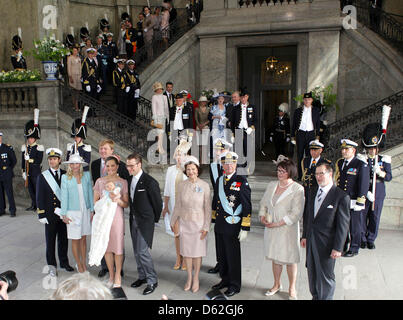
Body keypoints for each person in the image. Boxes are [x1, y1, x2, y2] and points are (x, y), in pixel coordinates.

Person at [301, 162, 350, 300]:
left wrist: (338, 247)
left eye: (321, 173)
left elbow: (343, 225)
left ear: (330, 174)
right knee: (312, 274)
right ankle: (315, 297)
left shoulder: (341, 196)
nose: (318, 177)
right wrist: (304, 235)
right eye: (316, 174)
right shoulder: (312, 192)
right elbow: (308, 216)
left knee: (326, 277)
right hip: (311, 241)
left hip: (327, 244)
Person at [259, 157, 304, 300]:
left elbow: (296, 213)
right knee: (275, 258)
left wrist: (278, 223)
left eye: (283, 171)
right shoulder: (272, 185)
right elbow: (264, 203)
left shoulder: (297, 189)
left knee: (290, 259)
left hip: (287, 230)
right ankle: (276, 284)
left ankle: (292, 287)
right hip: (271, 229)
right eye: (278, 170)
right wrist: (262, 215)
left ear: (290, 172)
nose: (280, 173)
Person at [211, 151, 252, 297]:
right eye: (225, 163)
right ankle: (225, 279)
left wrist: (245, 227)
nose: (228, 166)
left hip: (233, 225)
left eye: (231, 163)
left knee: (232, 256)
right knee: (221, 255)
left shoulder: (242, 181)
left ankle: (234, 284)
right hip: (220, 224)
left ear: (235, 164)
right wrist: (213, 220)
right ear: (222, 164)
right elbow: (215, 200)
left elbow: (247, 205)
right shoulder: (219, 180)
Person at [170, 156, 211, 293]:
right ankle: (189, 278)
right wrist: (173, 220)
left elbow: (208, 208)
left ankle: (196, 278)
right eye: (188, 169)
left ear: (197, 170)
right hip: (185, 223)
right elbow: (178, 205)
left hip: (199, 224)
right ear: (185, 171)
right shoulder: (181, 185)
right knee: (187, 253)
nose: (191, 171)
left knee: (197, 253)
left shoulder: (204, 186)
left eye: (193, 169)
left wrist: (206, 226)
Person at [91, 139, 130, 278]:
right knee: (106, 248)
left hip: (117, 218)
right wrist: (103, 203)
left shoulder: (123, 182)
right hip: (103, 217)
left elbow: (126, 204)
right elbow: (94, 202)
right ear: (105, 167)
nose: (110, 168)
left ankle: (118, 275)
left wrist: (117, 200)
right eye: (108, 166)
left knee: (118, 247)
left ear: (117, 166)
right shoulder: (100, 182)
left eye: (113, 166)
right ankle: (111, 275)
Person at [127, 152, 162, 295]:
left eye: (131, 166)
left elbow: (158, 204)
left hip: (145, 222)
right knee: (136, 251)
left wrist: (152, 220)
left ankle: (152, 280)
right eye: (127, 165)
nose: (129, 168)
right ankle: (142, 276)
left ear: (139, 164)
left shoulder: (150, 182)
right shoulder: (129, 180)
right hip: (133, 220)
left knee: (142, 252)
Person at [36, 148, 73, 276]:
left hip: (62, 214)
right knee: (50, 241)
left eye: (54, 159)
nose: (52, 161)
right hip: (50, 214)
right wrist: (41, 214)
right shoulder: (42, 176)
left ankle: (64, 262)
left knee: (63, 240)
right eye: (50, 159)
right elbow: (39, 196)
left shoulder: (65, 174)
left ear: (59, 160)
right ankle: (52, 266)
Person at [334, 139, 369, 257]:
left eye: (346, 149)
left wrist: (360, 200)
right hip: (342, 199)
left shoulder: (360, 164)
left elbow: (363, 184)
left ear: (353, 150)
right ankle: (343, 244)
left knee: (355, 225)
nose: (343, 151)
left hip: (354, 200)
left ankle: (354, 248)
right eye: (342, 149)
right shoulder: (340, 163)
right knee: (342, 224)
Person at [360, 120, 392, 250]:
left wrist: (381, 172)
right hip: (365, 189)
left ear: (378, 148)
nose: (372, 151)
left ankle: (370, 239)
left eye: (374, 148)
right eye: (370, 148)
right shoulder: (362, 159)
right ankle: (361, 238)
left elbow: (389, 177)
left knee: (374, 216)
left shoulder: (384, 160)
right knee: (362, 215)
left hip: (378, 190)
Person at [60, 153, 94, 273]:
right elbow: (64, 197)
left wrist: (92, 210)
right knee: (75, 239)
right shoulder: (65, 178)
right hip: (72, 212)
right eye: (73, 163)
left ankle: (84, 263)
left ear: (80, 164)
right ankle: (79, 265)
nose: (75, 166)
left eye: (77, 163)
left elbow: (90, 193)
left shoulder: (86, 176)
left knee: (83, 238)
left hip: (85, 210)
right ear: (69, 165)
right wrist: (63, 214)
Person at [162, 138, 191, 269]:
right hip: (174, 206)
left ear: (186, 156)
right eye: (178, 154)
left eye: (182, 154)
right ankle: (178, 257)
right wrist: (165, 206)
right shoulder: (170, 170)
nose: (179, 157)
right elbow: (167, 189)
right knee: (177, 234)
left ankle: (185, 258)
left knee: (186, 234)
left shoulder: (189, 170)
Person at [208, 138, 232, 274]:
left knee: (228, 238)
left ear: (227, 150)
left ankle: (228, 265)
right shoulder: (213, 166)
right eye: (216, 149)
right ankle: (220, 263)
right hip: (217, 205)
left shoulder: (233, 166)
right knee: (218, 236)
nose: (218, 152)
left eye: (221, 150)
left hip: (230, 207)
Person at [291, 92, 321, 180]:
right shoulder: (298, 111)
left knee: (310, 155)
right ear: (303, 100)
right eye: (305, 100)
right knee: (300, 155)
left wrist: (317, 137)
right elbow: (294, 125)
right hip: (301, 134)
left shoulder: (315, 110)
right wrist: (293, 136)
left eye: (308, 99)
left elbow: (318, 124)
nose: (307, 101)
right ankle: (300, 175)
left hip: (311, 134)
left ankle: (308, 174)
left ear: (311, 100)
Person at [21, 108, 44, 212]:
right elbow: (23, 161)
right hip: (28, 172)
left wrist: (29, 159)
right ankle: (33, 205)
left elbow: (39, 160)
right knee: (30, 190)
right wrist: (23, 171)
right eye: (28, 137)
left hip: (35, 172)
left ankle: (39, 206)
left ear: (35, 138)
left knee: (37, 190)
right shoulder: (25, 147)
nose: (29, 139)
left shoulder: (39, 147)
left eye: (31, 138)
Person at [230, 90, 256, 171]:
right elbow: (232, 122)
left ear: (247, 97)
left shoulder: (252, 107)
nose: (243, 99)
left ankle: (247, 167)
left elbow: (256, 120)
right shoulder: (235, 108)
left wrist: (251, 128)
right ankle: (238, 167)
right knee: (238, 150)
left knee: (247, 149)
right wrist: (232, 133)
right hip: (238, 130)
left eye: (245, 97)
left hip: (247, 131)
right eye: (241, 97)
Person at [66, 106, 91, 171]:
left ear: (82, 137)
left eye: (78, 136)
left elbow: (87, 161)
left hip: (83, 172)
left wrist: (77, 158)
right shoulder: (70, 146)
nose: (75, 138)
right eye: (75, 136)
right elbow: (67, 159)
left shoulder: (86, 147)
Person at [0, 132, 17, 217]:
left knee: (9, 193)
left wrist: (8, 169)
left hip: (6, 173)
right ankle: (1, 210)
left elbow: (14, 160)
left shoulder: (7, 148)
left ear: (1, 138)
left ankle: (12, 210)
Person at [151, 82, 169, 156]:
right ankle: (159, 148)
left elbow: (166, 108)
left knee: (162, 133)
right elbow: (154, 108)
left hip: (163, 117)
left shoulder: (164, 97)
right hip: (158, 118)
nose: (159, 91)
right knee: (159, 133)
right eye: (157, 89)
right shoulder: (154, 97)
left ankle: (160, 147)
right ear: (156, 90)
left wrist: (167, 116)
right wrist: (155, 117)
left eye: (160, 89)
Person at [67, 45, 82, 111]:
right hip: (73, 75)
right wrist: (70, 76)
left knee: (78, 91)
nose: (75, 52)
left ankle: (76, 104)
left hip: (78, 76)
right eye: (74, 51)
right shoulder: (70, 58)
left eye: (76, 51)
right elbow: (69, 68)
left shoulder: (79, 58)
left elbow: (80, 67)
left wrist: (81, 75)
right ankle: (75, 106)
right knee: (73, 91)